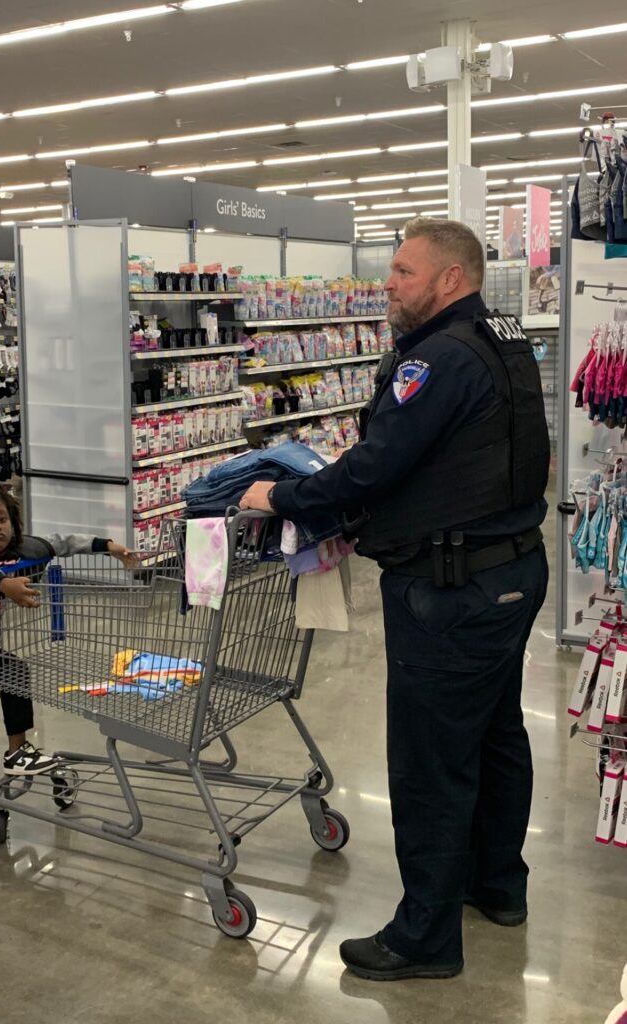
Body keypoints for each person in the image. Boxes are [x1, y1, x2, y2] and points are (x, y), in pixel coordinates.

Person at [240, 217, 550, 982]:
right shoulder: (503, 337)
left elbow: (377, 467)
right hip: (508, 570)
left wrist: (281, 495)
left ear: (451, 278)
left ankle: (424, 939)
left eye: (404, 273)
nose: (389, 285)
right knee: (495, 735)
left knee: (430, 763)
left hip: (451, 590)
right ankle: (497, 886)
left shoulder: (437, 357)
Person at [0, 482, 137, 825]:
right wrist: (4, 584)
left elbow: (61, 542)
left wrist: (107, 546)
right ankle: (17, 751)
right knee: (12, 673)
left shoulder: (20, 548)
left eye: (1, 518)